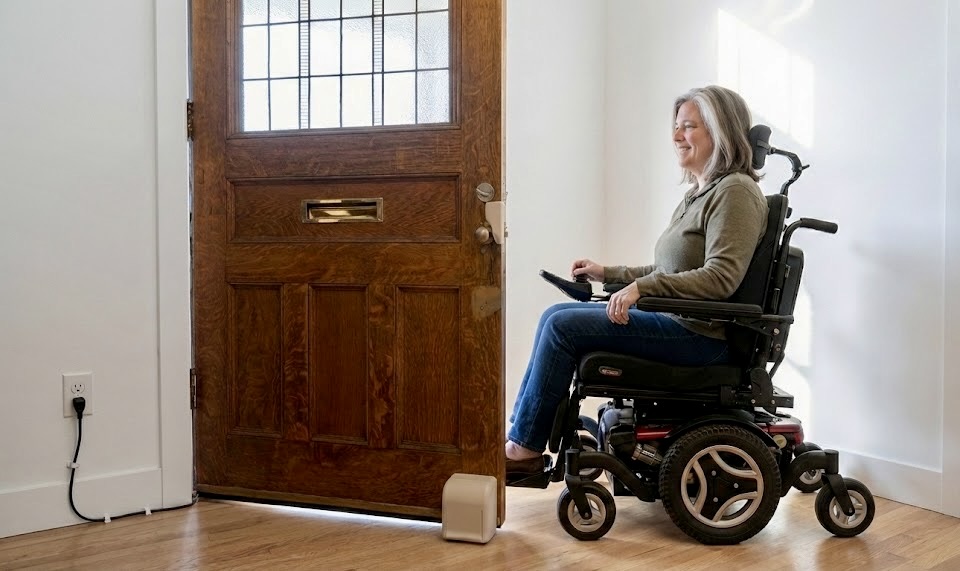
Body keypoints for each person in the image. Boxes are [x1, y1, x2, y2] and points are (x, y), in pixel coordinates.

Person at [506, 85, 769, 475]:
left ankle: (522, 451)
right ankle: (520, 437)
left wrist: (643, 289)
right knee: (555, 315)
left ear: (721, 132)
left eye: (689, 126)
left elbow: (721, 279)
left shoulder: (735, 192)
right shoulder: (699, 194)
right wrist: (607, 273)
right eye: (676, 127)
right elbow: (667, 271)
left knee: (562, 325)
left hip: (701, 338)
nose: (677, 136)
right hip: (680, 324)